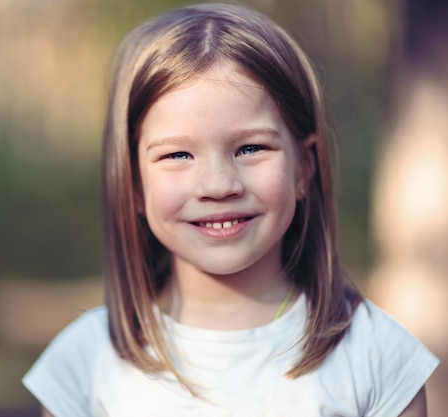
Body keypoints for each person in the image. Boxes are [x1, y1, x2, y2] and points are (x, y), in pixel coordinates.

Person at [23, 3, 439, 416]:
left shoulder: (379, 359)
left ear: (304, 167)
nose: (218, 185)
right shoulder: (83, 365)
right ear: (133, 183)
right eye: (178, 155)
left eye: (251, 148)